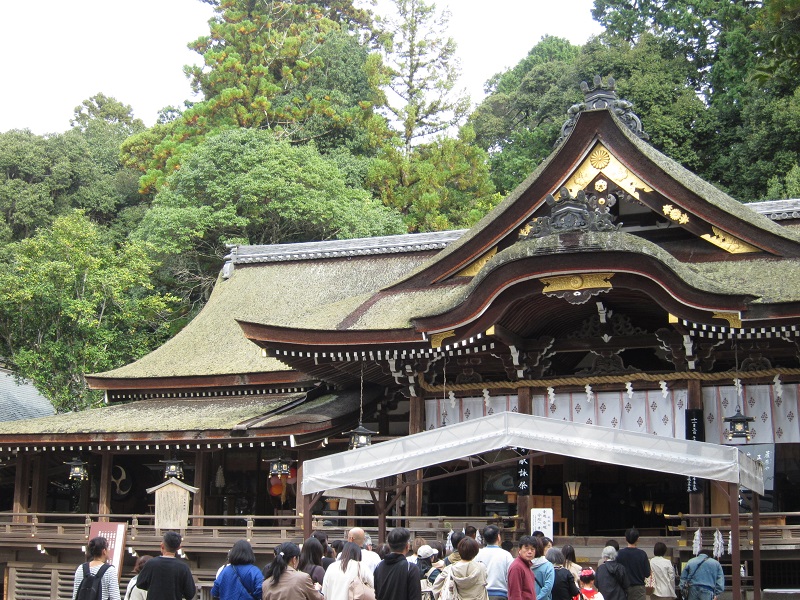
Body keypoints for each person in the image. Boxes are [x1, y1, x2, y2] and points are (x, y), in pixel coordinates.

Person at [136, 532, 196, 600]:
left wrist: (153, 587)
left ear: (162, 545)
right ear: (179, 547)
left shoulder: (151, 563)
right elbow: (190, 594)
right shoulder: (183, 567)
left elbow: (140, 583)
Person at [374, 527, 421, 600]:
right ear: (407, 546)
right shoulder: (410, 568)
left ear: (389, 546)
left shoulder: (379, 566)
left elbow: (376, 594)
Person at [73, 536, 121, 600]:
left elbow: (75, 595)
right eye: (108, 548)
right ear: (104, 551)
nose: (109, 550)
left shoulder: (80, 568)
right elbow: (115, 597)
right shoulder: (110, 570)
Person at [475, 525, 513, 600]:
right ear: (498, 537)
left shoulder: (477, 554)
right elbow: (511, 576)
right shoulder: (506, 555)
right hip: (501, 594)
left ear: (484, 539)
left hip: (481, 594)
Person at [615, 529, 650, 600]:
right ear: (638, 539)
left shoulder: (619, 554)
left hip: (623, 587)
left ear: (625, 538)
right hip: (639, 587)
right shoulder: (642, 554)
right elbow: (647, 573)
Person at [507, 536, 536, 600]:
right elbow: (515, 595)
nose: (529, 552)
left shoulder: (526, 565)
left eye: (532, 549)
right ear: (519, 550)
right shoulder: (517, 567)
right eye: (526, 548)